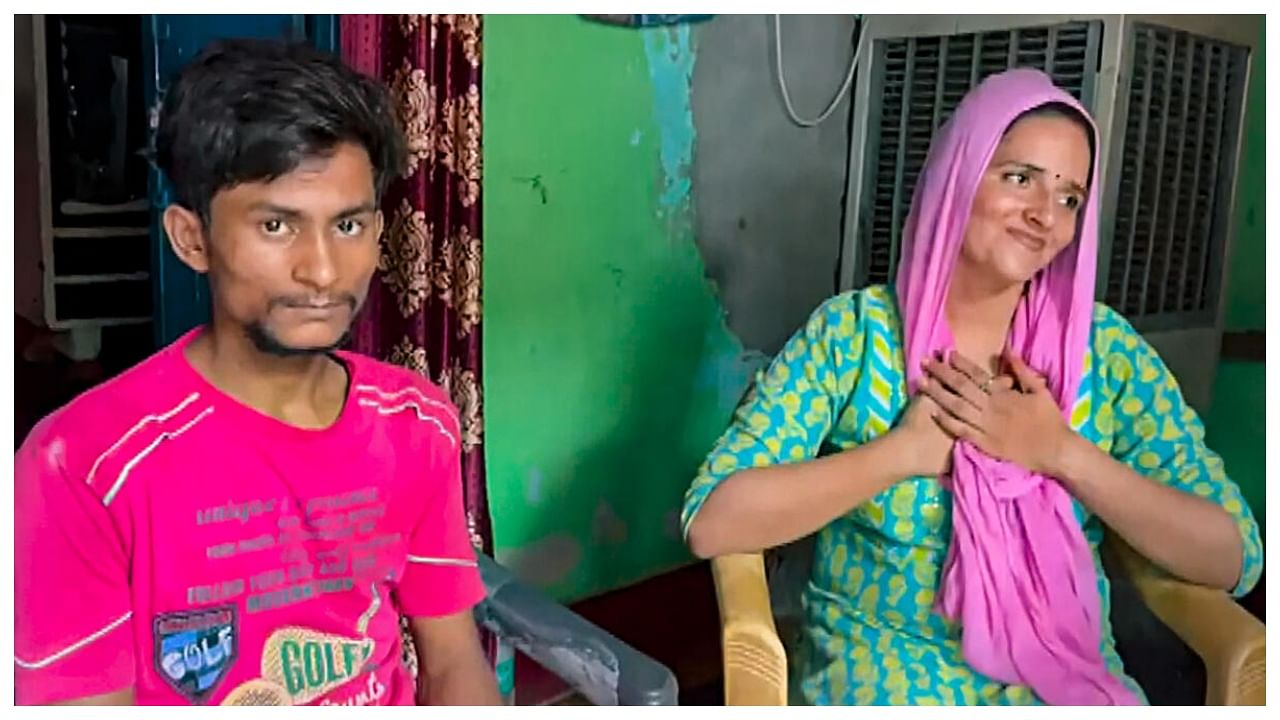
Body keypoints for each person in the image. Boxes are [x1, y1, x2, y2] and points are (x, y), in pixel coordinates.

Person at [681, 69, 1262, 705]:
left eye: (1070, 198)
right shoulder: (856, 337)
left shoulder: (1103, 353)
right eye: (1020, 179)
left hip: (1064, 677)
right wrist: (899, 456)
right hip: (888, 674)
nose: (1045, 215)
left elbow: (1233, 557)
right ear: (958, 178)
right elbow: (714, 520)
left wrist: (1061, 453)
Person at [14, 39, 502, 706]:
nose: (324, 271)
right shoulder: (82, 466)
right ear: (192, 239)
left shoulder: (416, 422)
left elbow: (452, 664)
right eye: (277, 225)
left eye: (349, 225)